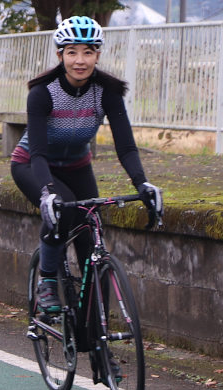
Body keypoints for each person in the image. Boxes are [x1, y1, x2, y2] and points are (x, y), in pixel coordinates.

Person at [9, 16, 162, 314]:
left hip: (77, 167)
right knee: (62, 212)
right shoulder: (43, 93)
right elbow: (38, 153)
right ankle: (48, 282)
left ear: (97, 55)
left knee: (92, 245)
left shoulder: (108, 92)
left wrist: (142, 183)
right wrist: (48, 193)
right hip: (33, 166)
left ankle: (98, 349)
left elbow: (126, 146)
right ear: (60, 55)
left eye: (88, 52)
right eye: (72, 52)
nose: (80, 60)